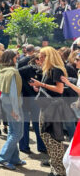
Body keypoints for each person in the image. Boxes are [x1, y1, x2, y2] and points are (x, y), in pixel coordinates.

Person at [29, 46, 69, 176]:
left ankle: (59, 170)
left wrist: (41, 85)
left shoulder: (56, 70)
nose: (39, 58)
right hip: (46, 107)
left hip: (53, 109)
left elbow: (59, 90)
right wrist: (39, 87)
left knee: (53, 138)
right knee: (46, 136)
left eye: (42, 56)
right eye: (39, 56)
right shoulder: (48, 70)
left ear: (49, 56)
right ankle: (54, 167)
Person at [0, 50, 25, 170]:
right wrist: (15, 110)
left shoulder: (2, 70)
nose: (17, 58)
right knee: (17, 133)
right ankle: (3, 158)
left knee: (13, 132)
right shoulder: (12, 72)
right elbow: (13, 93)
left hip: (6, 103)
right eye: (15, 57)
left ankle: (14, 158)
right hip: (13, 105)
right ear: (11, 58)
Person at [18, 55, 47, 154]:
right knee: (26, 123)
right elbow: (17, 74)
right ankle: (24, 146)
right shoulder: (28, 68)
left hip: (35, 98)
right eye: (41, 59)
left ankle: (41, 146)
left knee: (37, 123)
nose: (42, 62)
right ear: (36, 60)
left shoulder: (43, 69)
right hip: (27, 97)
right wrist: (26, 87)